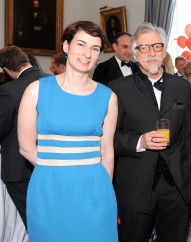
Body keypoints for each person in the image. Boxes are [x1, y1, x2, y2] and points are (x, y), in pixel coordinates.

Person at [17, 20, 118, 242]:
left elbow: (107, 150)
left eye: (95, 48)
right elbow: (25, 148)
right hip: (48, 190)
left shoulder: (108, 97)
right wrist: (57, 168)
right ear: (66, 46)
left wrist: (103, 189)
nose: (87, 53)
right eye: (81, 44)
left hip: (94, 192)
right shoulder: (36, 91)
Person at [109, 22, 191, 242]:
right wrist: (140, 141)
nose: (151, 53)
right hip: (135, 186)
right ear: (134, 55)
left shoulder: (182, 87)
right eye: (144, 48)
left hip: (176, 186)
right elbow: (110, 138)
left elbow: (190, 135)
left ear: (164, 51)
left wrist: (188, 173)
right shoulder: (118, 89)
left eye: (157, 47)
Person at [0, 46, 48, 228]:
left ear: (6, 69)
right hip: (51, 162)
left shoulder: (9, 90)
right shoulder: (54, 82)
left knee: (33, 222)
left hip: (19, 168)